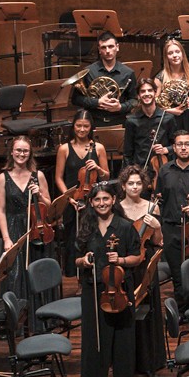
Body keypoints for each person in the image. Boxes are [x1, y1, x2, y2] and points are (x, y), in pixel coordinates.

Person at [75, 182, 143, 377]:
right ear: (91, 202)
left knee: (122, 345)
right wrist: (84, 261)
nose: (102, 203)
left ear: (113, 200)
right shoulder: (86, 227)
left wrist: (121, 260)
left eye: (106, 199)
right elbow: (74, 259)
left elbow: (137, 257)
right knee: (93, 344)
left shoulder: (125, 227)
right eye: (97, 200)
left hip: (121, 291)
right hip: (93, 291)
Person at [116, 167, 169, 377]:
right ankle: (128, 359)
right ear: (123, 186)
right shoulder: (117, 208)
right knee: (127, 310)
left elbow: (157, 241)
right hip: (125, 265)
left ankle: (150, 359)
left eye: (138, 183)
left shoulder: (151, 206)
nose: (135, 187)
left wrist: (157, 226)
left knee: (148, 309)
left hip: (145, 264)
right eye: (131, 183)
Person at [0, 135, 53, 304]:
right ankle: (20, 315)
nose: (22, 154)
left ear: (30, 153)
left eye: (25, 151)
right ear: (12, 152)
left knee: (38, 274)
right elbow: (1, 210)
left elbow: (49, 205)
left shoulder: (38, 175)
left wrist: (39, 195)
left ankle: (41, 314)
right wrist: (6, 239)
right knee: (15, 275)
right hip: (14, 229)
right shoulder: (2, 178)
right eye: (18, 150)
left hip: (37, 228)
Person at [55, 111, 110, 272]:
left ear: (91, 127)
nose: (82, 129)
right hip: (72, 200)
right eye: (78, 125)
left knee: (93, 235)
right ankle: (75, 274)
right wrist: (68, 198)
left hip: (94, 200)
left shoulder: (99, 148)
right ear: (73, 126)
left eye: (86, 126)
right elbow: (58, 178)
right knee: (72, 237)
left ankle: (94, 271)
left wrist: (98, 168)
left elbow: (106, 176)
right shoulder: (64, 149)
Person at [73, 33, 137, 127]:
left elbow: (134, 100)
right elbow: (75, 99)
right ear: (99, 50)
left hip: (119, 121)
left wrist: (120, 107)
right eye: (103, 47)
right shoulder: (88, 71)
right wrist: (97, 102)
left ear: (117, 47)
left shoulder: (128, 73)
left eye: (111, 46)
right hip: (94, 122)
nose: (107, 51)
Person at [154, 38, 189, 136]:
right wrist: (171, 111)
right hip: (168, 119)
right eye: (170, 53)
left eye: (177, 52)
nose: (174, 55)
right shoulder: (160, 78)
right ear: (166, 57)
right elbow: (154, 105)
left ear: (182, 54)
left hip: (188, 118)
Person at [123, 79, 170, 174]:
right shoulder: (131, 121)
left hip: (163, 169)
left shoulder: (167, 118)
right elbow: (127, 153)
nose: (147, 94)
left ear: (155, 93)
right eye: (143, 91)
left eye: (150, 90)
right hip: (140, 170)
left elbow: (176, 145)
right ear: (138, 95)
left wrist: (165, 149)